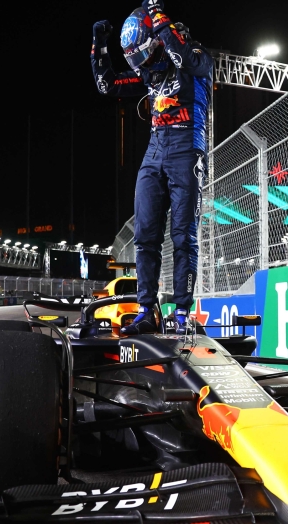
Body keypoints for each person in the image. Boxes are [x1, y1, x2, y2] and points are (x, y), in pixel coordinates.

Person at [91, 0, 213, 335]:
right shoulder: (151, 72)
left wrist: (159, 18)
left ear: (162, 37)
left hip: (187, 148)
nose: (145, 65)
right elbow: (108, 85)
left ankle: (184, 315)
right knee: (145, 236)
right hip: (155, 150)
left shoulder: (198, 58)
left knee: (183, 236)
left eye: (147, 54)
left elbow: (184, 58)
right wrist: (99, 47)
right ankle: (146, 310)